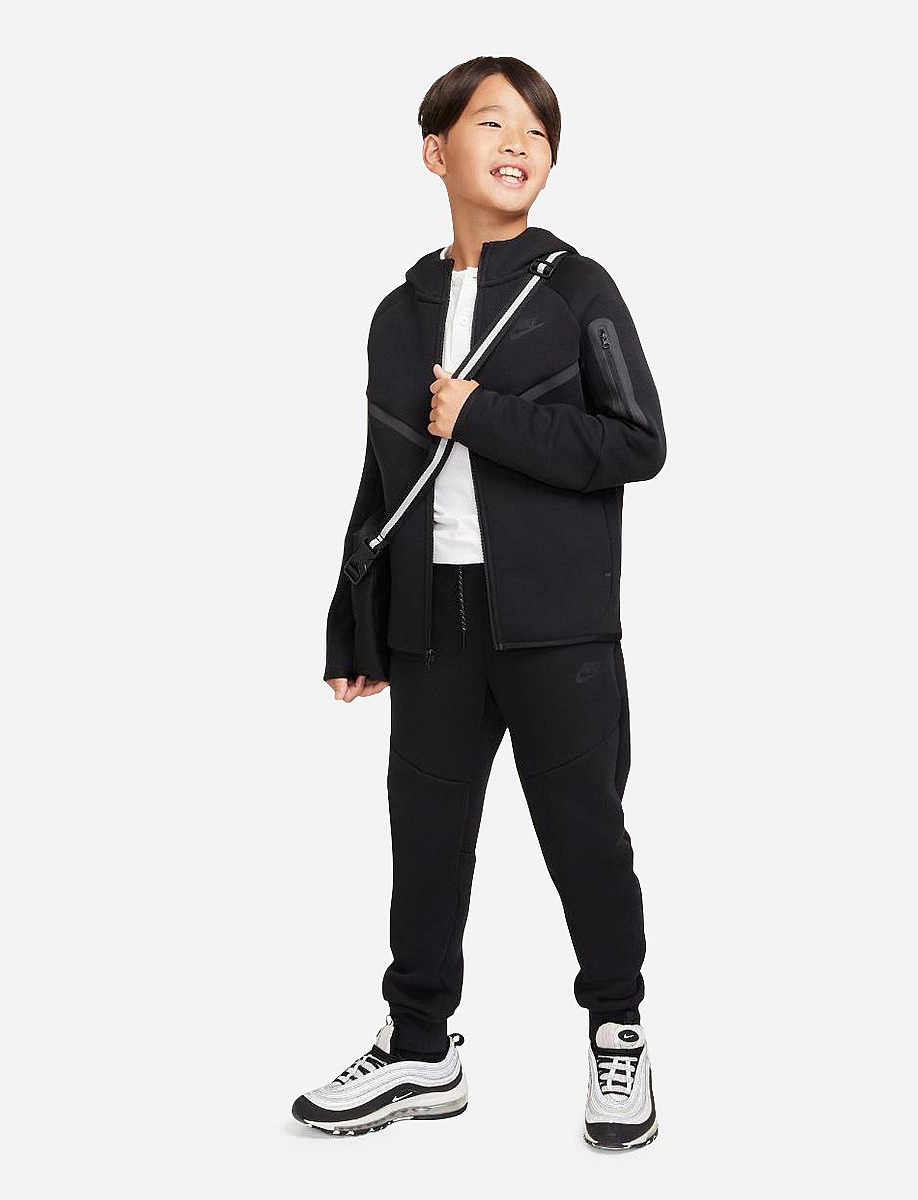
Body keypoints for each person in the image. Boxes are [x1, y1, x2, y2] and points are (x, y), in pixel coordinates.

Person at [292, 56, 666, 1150]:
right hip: (434, 622)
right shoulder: (398, 313)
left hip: (559, 624)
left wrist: (486, 417)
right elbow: (382, 477)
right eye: (493, 123)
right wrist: (357, 624)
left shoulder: (577, 289)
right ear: (435, 150)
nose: (519, 144)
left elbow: (639, 442)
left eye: (538, 131)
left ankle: (617, 1029)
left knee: (585, 835)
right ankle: (420, 1048)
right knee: (426, 839)